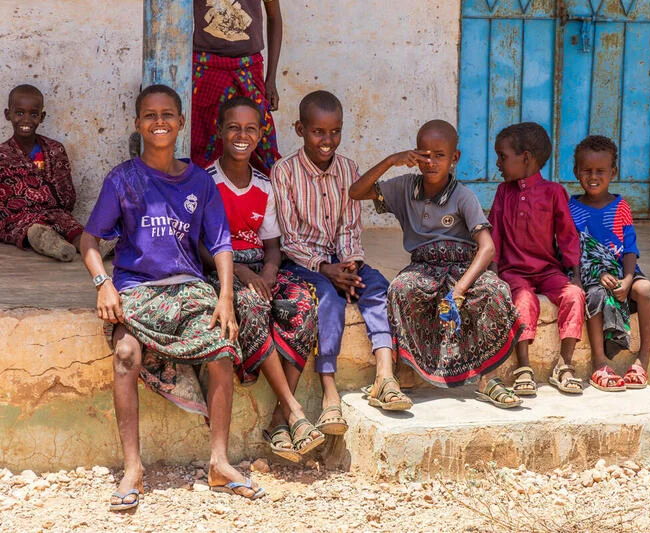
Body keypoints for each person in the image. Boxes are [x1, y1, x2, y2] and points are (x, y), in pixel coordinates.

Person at [81, 85, 264, 511]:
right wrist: (101, 283)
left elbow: (220, 243)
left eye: (167, 115)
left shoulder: (199, 180)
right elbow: (90, 238)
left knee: (220, 348)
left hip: (189, 288)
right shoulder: (122, 179)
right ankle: (133, 468)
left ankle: (219, 462)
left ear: (181, 123)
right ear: (138, 124)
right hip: (137, 290)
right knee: (126, 351)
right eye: (149, 115)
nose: (158, 122)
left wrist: (226, 298)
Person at [349, 120, 523, 408]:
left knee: (495, 290)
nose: (431, 162)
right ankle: (400, 375)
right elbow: (356, 192)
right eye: (424, 154)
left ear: (454, 158)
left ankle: (488, 379)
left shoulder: (463, 196)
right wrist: (392, 161)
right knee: (402, 289)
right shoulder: (404, 187)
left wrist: (460, 289)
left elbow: (487, 247)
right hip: (424, 267)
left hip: (461, 268)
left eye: (440, 155)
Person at [271, 90, 410, 423]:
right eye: (318, 131)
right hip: (303, 261)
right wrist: (326, 269)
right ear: (300, 129)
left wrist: (349, 265)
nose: (327, 140)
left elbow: (350, 225)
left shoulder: (348, 169)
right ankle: (329, 388)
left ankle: (385, 375)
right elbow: (289, 237)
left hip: (339, 257)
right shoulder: (285, 172)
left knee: (376, 287)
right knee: (329, 301)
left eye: (335, 131)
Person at [204, 96, 323, 459]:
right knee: (252, 305)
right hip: (222, 270)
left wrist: (269, 273)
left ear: (261, 133)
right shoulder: (206, 183)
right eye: (234, 127)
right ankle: (295, 410)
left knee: (303, 303)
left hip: (260, 267)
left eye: (251, 128)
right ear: (220, 131)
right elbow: (201, 248)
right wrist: (241, 272)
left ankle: (277, 421)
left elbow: (272, 245)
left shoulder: (264, 185)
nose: (242, 135)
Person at [489, 122, 585, 396]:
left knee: (574, 296)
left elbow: (567, 235)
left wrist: (574, 274)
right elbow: (493, 234)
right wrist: (494, 272)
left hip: (547, 271)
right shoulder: (502, 192)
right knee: (524, 301)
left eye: (503, 157)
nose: (498, 163)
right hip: (514, 272)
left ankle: (565, 365)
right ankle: (523, 366)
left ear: (526, 158)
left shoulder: (554, 193)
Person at [568, 135, 650, 391]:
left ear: (613, 172)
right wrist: (581, 277)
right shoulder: (570, 207)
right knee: (592, 296)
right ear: (576, 172)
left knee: (646, 290)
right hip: (590, 276)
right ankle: (599, 363)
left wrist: (628, 280)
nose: (593, 177)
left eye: (601, 171)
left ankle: (643, 359)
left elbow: (629, 248)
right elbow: (572, 248)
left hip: (622, 272)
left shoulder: (621, 206)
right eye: (587, 171)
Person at [0, 84, 113, 261]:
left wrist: (47, 204)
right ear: (8, 114)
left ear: (42, 117)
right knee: (35, 229)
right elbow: (4, 203)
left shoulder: (55, 149)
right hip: (19, 218)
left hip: (55, 213)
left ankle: (94, 247)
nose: (26, 120)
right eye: (19, 113)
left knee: (69, 224)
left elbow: (67, 195)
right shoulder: (2, 156)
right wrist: (34, 202)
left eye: (34, 114)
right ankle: (54, 245)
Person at [192, 0, 282, 175]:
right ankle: (203, 193)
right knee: (200, 144)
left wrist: (271, 80)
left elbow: (274, 17)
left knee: (258, 144)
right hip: (205, 69)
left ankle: (255, 195)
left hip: (248, 67)